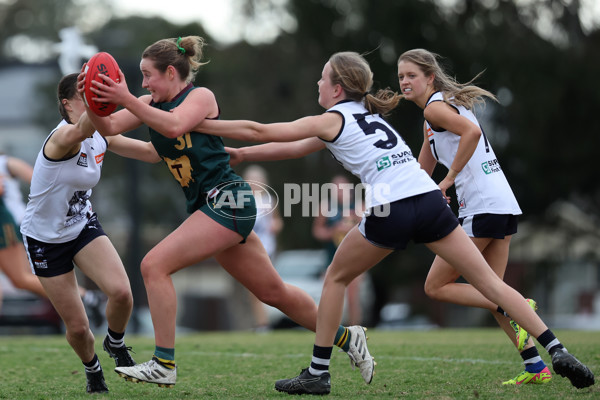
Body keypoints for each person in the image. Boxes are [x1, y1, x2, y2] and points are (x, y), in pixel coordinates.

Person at [191, 51, 594, 394]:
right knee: (490, 284)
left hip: (394, 206)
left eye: (322, 78)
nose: (318, 83)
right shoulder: (368, 118)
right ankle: (555, 348)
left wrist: (199, 123)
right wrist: (242, 157)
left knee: (335, 278)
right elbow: (296, 146)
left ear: (336, 89)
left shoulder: (333, 118)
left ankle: (317, 373)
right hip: (429, 201)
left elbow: (260, 129)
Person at [80, 35, 374, 388]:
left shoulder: (199, 97)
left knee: (153, 265)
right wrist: (91, 102)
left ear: (171, 72)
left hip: (228, 200)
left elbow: (173, 126)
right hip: (212, 207)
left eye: (147, 75)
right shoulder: (147, 102)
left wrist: (123, 97)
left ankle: (163, 363)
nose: (143, 84)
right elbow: (111, 129)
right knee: (273, 293)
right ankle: (347, 337)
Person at [397, 48, 550, 385]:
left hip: (482, 206)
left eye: (411, 75)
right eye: (401, 76)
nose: (405, 81)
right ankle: (536, 366)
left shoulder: (437, 107)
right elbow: (422, 170)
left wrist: (448, 179)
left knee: (437, 286)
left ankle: (519, 304)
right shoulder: (437, 112)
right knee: (494, 290)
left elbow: (472, 134)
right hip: (502, 203)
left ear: (429, 78)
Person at [19, 73, 139, 394]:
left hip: (81, 225)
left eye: (101, 98)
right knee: (79, 328)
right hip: (45, 239)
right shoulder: (62, 138)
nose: (99, 105)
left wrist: (169, 101)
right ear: (67, 104)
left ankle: (115, 343)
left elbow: (152, 149)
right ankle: (92, 369)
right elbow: (87, 126)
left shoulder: (101, 133)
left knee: (123, 293)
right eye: (89, 98)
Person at [0, 153, 105, 325]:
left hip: (12, 224)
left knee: (21, 278)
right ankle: (86, 297)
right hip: (11, 224)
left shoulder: (6, 163)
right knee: (22, 279)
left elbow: (40, 183)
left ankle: (84, 297)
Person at [312, 174, 364, 326]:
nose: (340, 192)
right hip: (331, 257)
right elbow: (317, 231)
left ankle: (355, 328)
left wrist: (354, 223)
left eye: (343, 188)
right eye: (336, 189)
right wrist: (333, 231)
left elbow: (369, 229)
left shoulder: (359, 206)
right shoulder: (326, 207)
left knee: (353, 297)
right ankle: (329, 327)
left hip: (354, 257)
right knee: (330, 295)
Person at [242, 165, 283, 332]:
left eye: (258, 180)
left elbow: (278, 222)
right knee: (254, 288)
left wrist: (275, 225)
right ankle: (262, 323)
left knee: (265, 286)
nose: (255, 183)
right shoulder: (243, 199)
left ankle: (265, 323)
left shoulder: (269, 200)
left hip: (267, 248)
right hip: (248, 249)